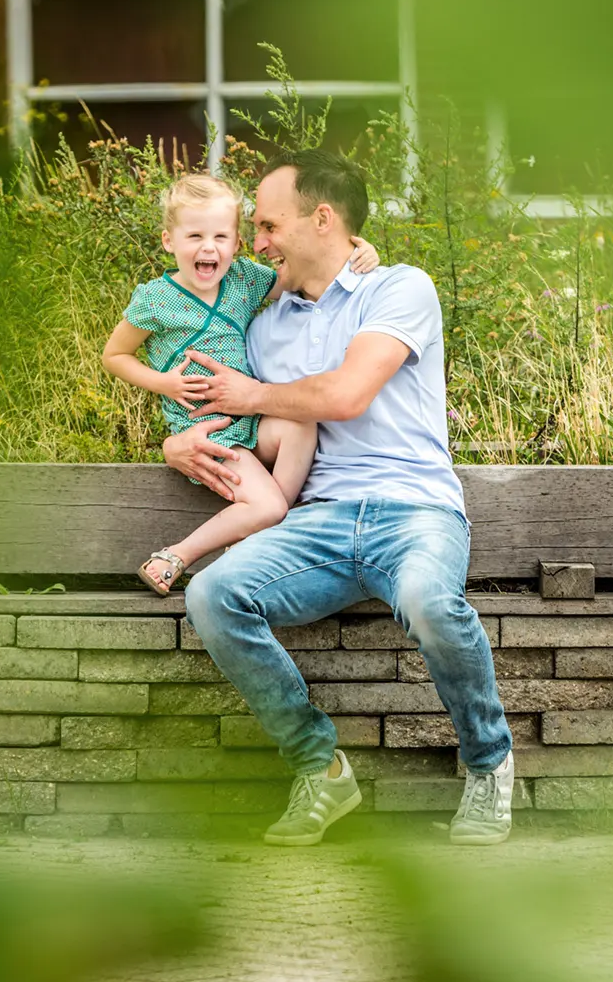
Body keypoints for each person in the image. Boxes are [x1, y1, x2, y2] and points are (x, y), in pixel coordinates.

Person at [167, 149, 515, 847]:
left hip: (416, 511)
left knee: (427, 599)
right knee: (213, 595)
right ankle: (320, 769)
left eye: (267, 226)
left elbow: (348, 395)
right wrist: (180, 443)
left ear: (322, 219)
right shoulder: (263, 323)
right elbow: (213, 395)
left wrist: (253, 393)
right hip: (318, 523)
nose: (255, 243)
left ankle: (488, 764)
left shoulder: (399, 289)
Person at [101, 174, 378, 596]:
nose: (208, 247)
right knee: (268, 504)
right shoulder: (154, 299)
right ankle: (175, 555)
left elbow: (304, 273)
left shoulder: (244, 282)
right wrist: (164, 383)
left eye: (221, 236)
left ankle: (256, 534)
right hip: (208, 430)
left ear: (236, 244)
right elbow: (115, 356)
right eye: (194, 235)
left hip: (250, 415)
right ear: (168, 241)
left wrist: (356, 248)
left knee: (301, 423)